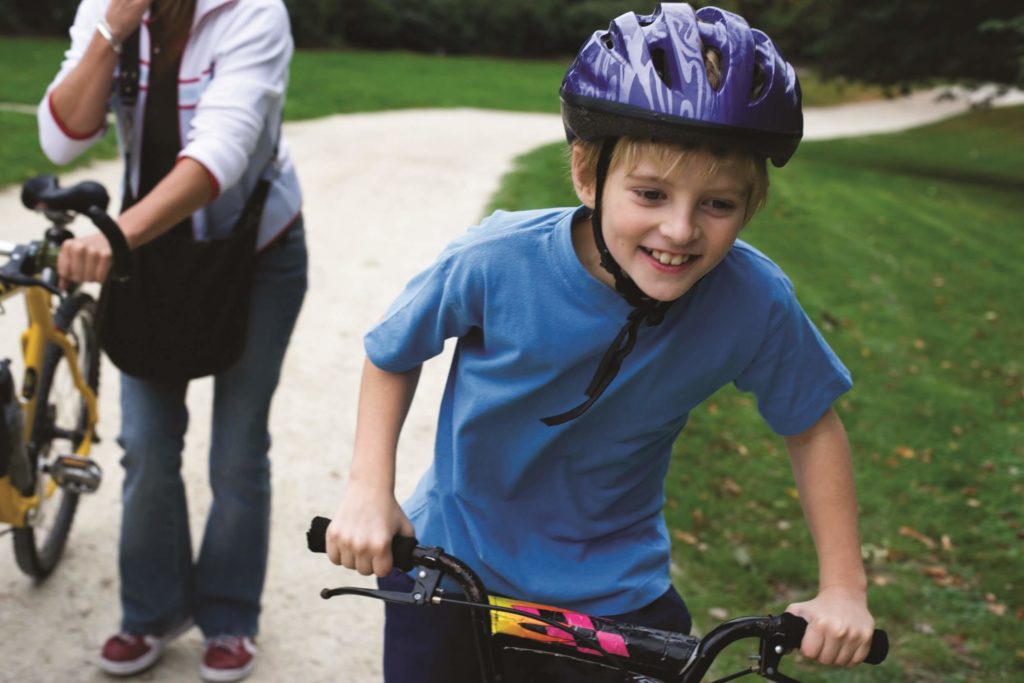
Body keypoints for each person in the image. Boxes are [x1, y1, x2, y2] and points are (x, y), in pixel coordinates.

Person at [326, 4, 875, 681]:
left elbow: (814, 424)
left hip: (617, 590)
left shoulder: (752, 301)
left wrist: (844, 587)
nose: (678, 230)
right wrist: (367, 488)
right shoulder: (497, 260)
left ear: (750, 205)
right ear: (588, 175)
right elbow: (392, 352)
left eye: (718, 204)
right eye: (649, 192)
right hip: (455, 562)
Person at [38, 0, 306, 680]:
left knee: (238, 448)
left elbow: (218, 155)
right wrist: (111, 31)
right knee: (147, 444)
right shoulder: (111, 6)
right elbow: (61, 138)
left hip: (254, 252)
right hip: (150, 246)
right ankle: (151, 610)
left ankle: (228, 616)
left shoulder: (255, 13)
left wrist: (115, 234)